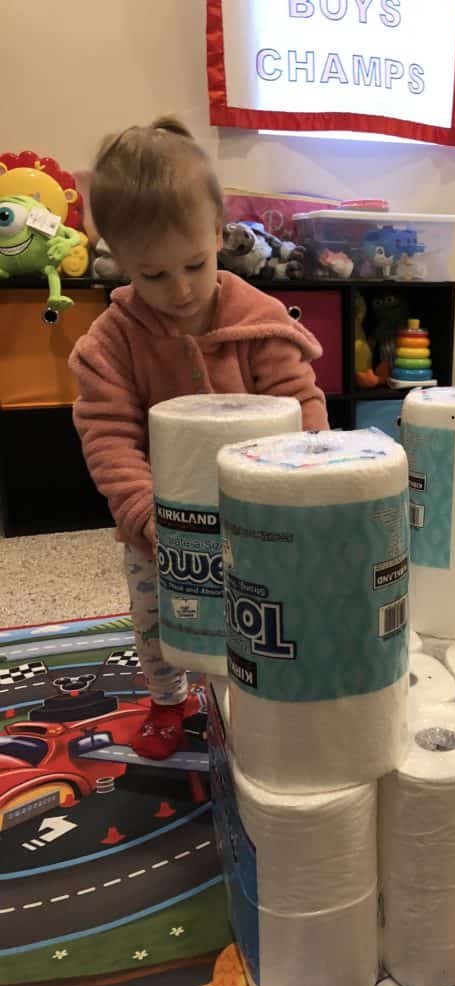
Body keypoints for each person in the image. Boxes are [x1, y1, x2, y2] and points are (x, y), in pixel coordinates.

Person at [69, 117, 328, 760]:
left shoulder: (259, 325)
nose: (180, 290)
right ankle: (167, 699)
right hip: (167, 524)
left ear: (219, 233)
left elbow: (301, 407)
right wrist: (141, 510)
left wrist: (314, 486)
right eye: (152, 275)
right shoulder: (111, 341)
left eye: (194, 264)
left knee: (269, 609)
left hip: (260, 512)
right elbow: (107, 433)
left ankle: (260, 689)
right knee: (159, 621)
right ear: (119, 260)